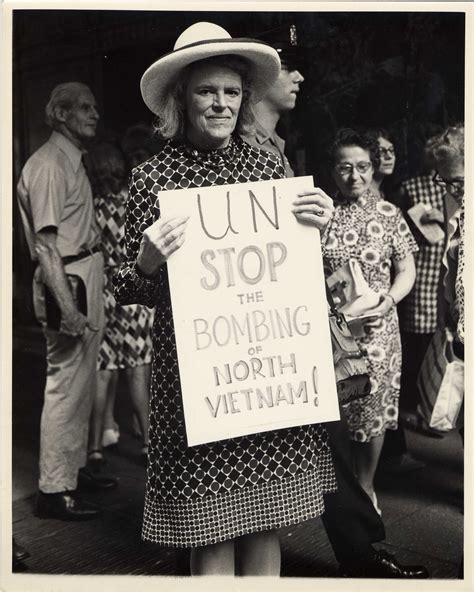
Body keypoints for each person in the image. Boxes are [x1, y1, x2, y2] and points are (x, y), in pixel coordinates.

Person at [114, 22, 336, 577]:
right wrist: (145, 262)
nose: (219, 103)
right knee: (209, 535)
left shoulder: (267, 169)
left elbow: (300, 273)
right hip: (197, 387)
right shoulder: (151, 179)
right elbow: (127, 288)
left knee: (264, 525)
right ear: (181, 99)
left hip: (262, 382)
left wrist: (320, 230)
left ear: (243, 100)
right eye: (206, 91)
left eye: (231, 92)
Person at [244, 32, 428, 579]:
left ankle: (359, 549)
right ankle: (354, 550)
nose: (299, 78)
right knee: (316, 441)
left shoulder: (274, 151)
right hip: (280, 326)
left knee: (331, 440)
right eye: (288, 68)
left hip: (315, 327)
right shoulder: (248, 150)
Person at [16, 82, 118, 521]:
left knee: (80, 384)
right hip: (69, 280)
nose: (94, 113)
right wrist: (70, 309)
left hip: (84, 273)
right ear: (59, 114)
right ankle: (53, 491)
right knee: (64, 387)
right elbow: (46, 248)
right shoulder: (49, 166)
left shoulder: (70, 160)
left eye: (95, 106)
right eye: (83, 107)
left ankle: (72, 471)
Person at [323, 128, 418, 516]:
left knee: (372, 412)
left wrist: (390, 300)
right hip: (336, 331)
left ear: (373, 169)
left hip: (379, 329)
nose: (354, 176)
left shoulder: (389, 214)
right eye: (345, 168)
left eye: (362, 167)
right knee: (342, 414)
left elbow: (406, 268)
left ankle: (366, 487)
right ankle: (343, 493)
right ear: (333, 171)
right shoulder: (321, 214)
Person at [87, 141, 153, 462]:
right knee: (138, 370)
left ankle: (95, 446)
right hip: (133, 291)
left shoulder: (92, 206)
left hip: (104, 290)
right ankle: (148, 443)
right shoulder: (133, 202)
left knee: (104, 369)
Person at [370, 129, 397, 198]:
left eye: (391, 150)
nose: (389, 156)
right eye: (381, 151)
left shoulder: (381, 192)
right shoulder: (363, 193)